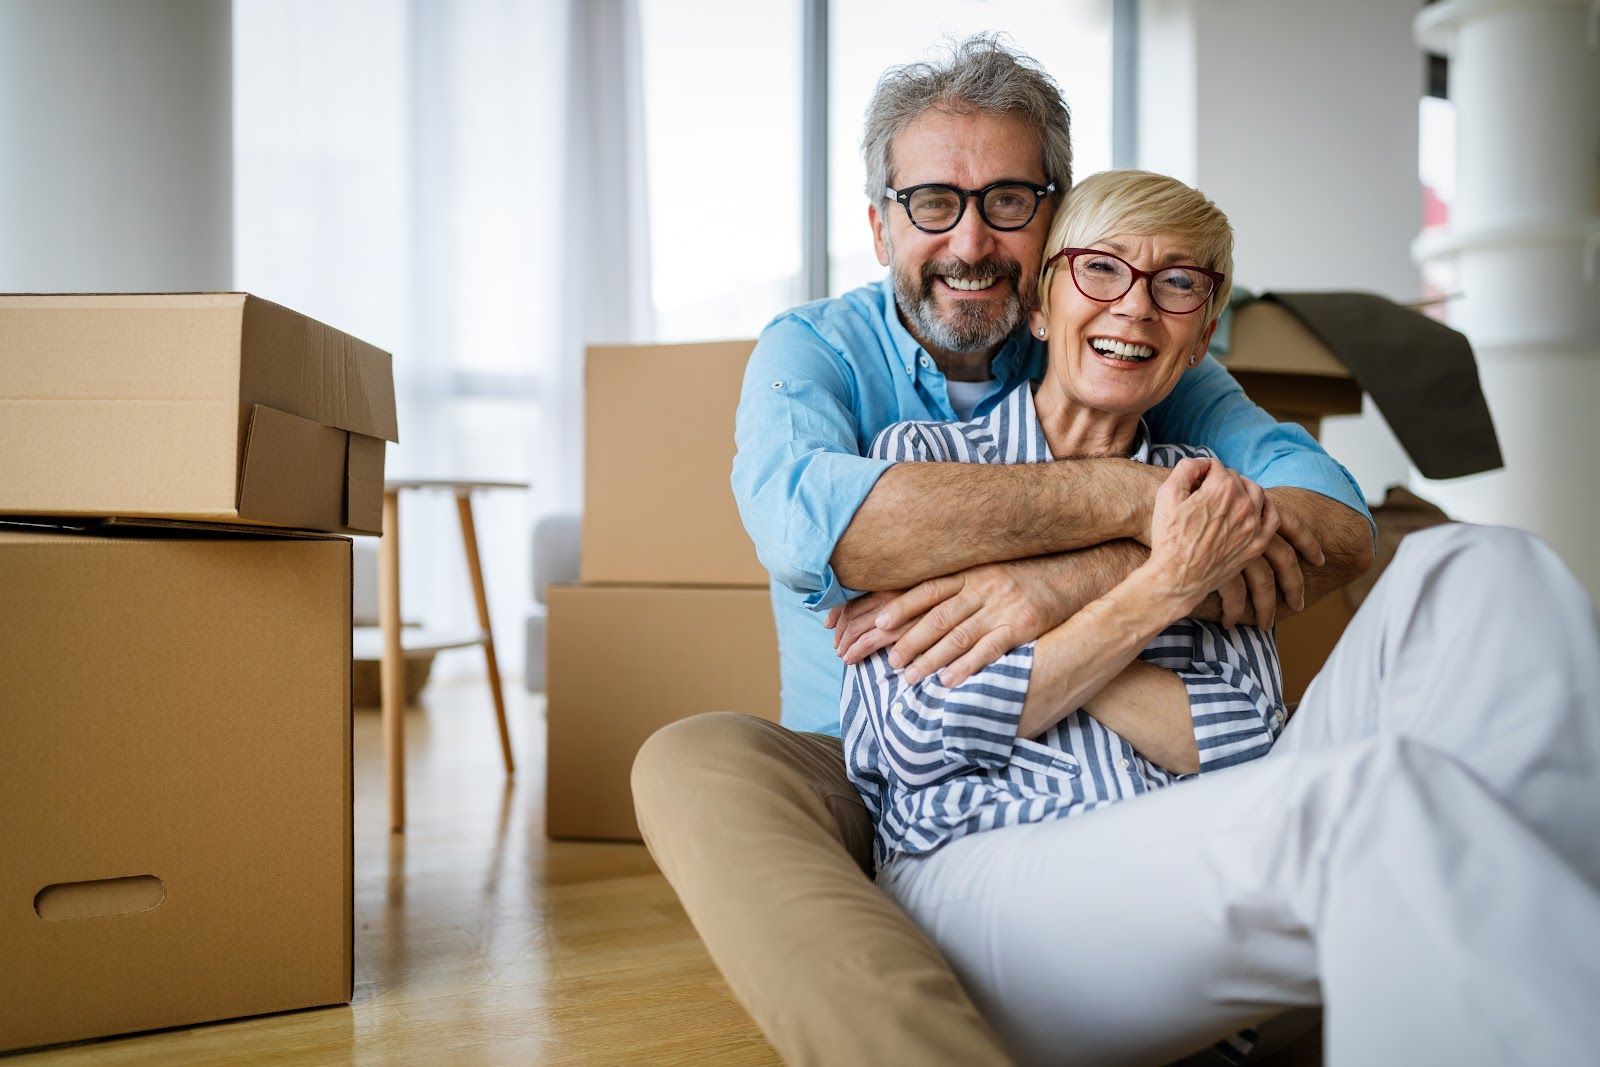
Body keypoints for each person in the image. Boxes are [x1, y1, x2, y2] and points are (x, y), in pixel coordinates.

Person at [635, 35, 1364, 1064]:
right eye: (932, 201)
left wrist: (1068, 578)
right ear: (879, 220)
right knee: (690, 759)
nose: (970, 238)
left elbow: (1328, 521)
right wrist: (1134, 504)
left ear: (1051, 219)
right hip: (863, 757)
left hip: (1126, 782)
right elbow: (820, 530)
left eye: (1009, 200)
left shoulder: (1117, 330)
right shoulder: (816, 350)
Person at [860, 170, 1600, 1066]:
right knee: (1372, 792)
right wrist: (1163, 587)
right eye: (1101, 270)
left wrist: (1036, 619)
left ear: (1204, 333)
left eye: (1177, 285)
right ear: (1043, 302)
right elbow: (915, 733)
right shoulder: (923, 463)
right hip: (985, 881)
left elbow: (1244, 742)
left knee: (1486, 564)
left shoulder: (1218, 496)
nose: (1135, 309)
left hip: (1190, 864)